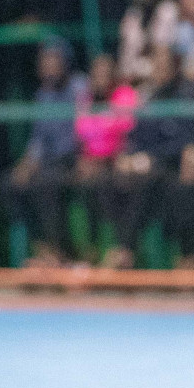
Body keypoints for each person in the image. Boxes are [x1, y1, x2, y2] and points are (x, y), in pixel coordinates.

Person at [101, 47, 194, 269]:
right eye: (156, 67)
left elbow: (186, 140)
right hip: (151, 167)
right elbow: (138, 136)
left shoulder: (186, 96)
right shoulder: (149, 98)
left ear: (175, 69)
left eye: (165, 67)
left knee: (159, 184)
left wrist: (152, 157)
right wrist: (128, 156)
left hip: (175, 166)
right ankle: (123, 250)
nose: (160, 71)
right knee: (112, 181)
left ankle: (187, 257)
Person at [0, 39, 88, 268]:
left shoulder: (80, 89)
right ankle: (45, 249)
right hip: (48, 162)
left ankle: (63, 253)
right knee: (10, 184)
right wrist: (28, 162)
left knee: (45, 183)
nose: (48, 67)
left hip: (75, 159)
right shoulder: (43, 95)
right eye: (44, 62)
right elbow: (38, 138)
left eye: (53, 61)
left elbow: (85, 130)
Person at [71, 52, 137, 260]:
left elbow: (128, 135)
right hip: (91, 164)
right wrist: (84, 159)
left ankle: (121, 249)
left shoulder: (124, 95)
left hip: (118, 162)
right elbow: (81, 135)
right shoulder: (86, 100)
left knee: (110, 185)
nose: (101, 77)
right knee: (77, 184)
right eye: (97, 73)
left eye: (106, 73)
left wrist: (103, 161)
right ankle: (86, 251)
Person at [117, 0, 180, 84]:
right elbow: (126, 55)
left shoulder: (167, 9)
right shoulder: (133, 14)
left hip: (159, 73)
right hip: (132, 75)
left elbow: (162, 51)